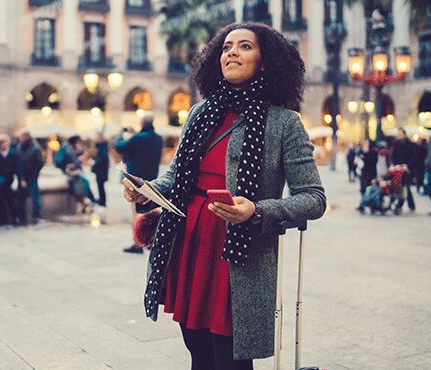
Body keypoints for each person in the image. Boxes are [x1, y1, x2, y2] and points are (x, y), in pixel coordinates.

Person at [122, 22, 325, 368]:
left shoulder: (284, 123)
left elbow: (314, 198)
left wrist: (257, 210)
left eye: (245, 46)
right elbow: (176, 177)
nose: (231, 52)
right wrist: (147, 190)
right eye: (227, 47)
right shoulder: (201, 113)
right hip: (189, 242)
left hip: (237, 253)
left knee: (229, 357)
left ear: (266, 62)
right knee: (197, 348)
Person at [115, 112, 163, 254]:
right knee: (149, 211)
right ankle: (149, 240)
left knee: (136, 212)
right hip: (152, 178)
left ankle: (138, 243)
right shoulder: (159, 139)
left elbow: (119, 147)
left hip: (136, 180)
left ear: (142, 123)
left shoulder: (137, 138)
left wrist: (121, 135)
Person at [0, 134, 20, 225]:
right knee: (0, 200)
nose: (6, 145)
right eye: (4, 143)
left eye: (7, 143)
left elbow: (17, 167)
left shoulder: (13, 153)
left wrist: (20, 178)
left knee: (11, 200)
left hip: (9, 180)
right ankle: (3, 218)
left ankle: (14, 217)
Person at [16, 129, 45, 224]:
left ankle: (36, 215)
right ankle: (21, 216)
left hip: (31, 176)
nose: (19, 139)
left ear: (26, 137)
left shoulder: (35, 147)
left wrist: (33, 174)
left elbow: (40, 162)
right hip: (22, 176)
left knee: (34, 196)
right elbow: (18, 163)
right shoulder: (19, 147)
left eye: (21, 137)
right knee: (21, 197)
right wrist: (21, 177)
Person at [390, 128, 417, 211]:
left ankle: (403, 205)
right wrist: (395, 165)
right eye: (398, 133)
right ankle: (406, 205)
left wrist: (407, 165)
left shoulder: (410, 144)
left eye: (400, 133)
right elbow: (392, 156)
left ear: (404, 134)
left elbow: (414, 156)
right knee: (398, 186)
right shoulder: (395, 144)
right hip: (397, 168)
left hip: (407, 169)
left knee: (406, 187)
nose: (399, 135)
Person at [92, 131, 110, 207]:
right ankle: (101, 200)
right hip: (101, 169)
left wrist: (95, 162)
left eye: (96, 136)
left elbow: (103, 158)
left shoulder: (102, 146)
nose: (94, 138)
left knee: (101, 186)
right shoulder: (101, 145)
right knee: (100, 186)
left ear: (99, 137)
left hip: (101, 170)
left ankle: (102, 201)